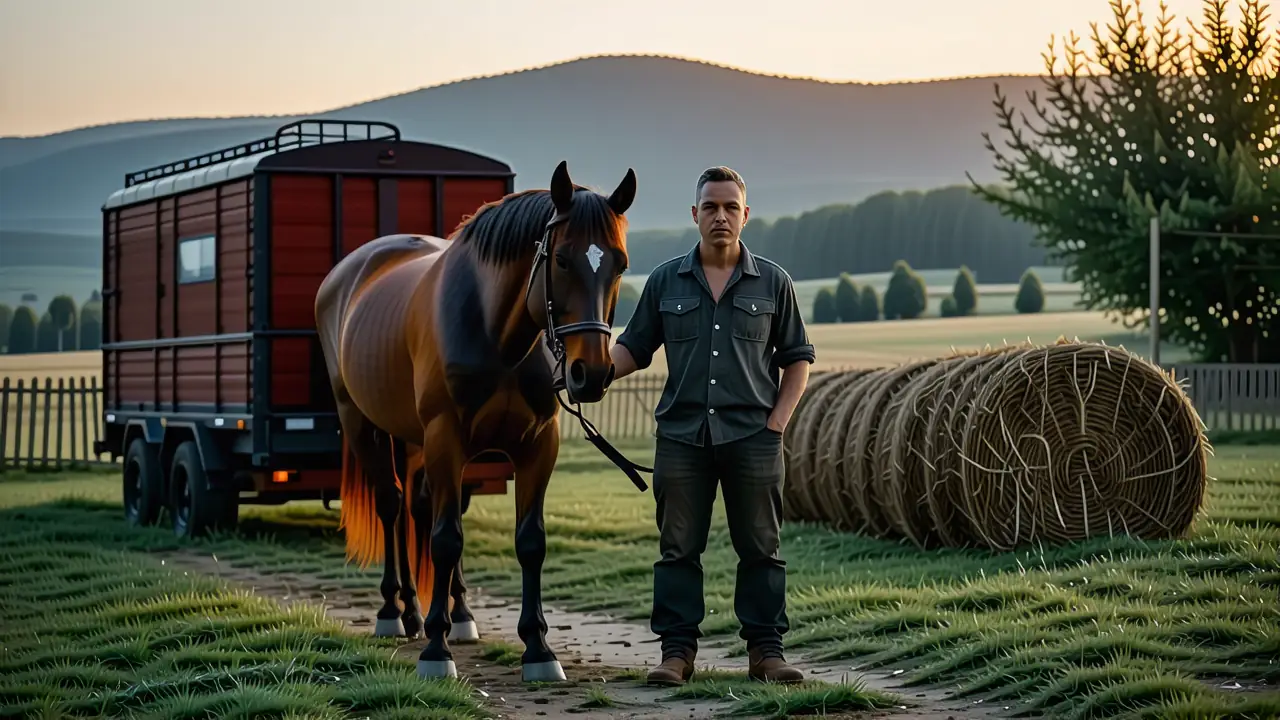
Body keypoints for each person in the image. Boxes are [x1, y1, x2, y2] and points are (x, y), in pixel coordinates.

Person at [610, 166, 815, 686]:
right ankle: (676, 655)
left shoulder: (774, 282)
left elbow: (797, 358)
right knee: (678, 551)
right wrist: (590, 373)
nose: (720, 216)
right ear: (694, 214)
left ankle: (766, 654)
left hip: (754, 438)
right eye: (710, 207)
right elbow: (633, 348)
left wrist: (777, 423)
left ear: (745, 215)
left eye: (730, 207)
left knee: (761, 550)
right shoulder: (664, 281)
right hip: (682, 439)